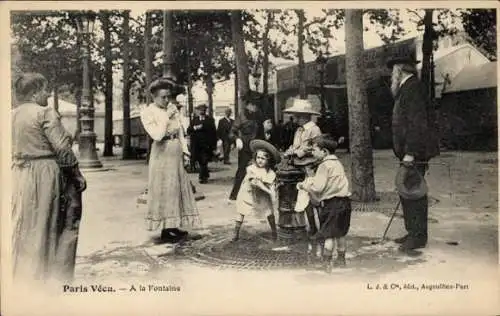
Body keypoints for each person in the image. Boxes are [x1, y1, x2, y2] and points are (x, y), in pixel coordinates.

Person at [11, 72, 87, 284]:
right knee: (52, 222)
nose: (48, 94)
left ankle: (25, 276)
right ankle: (50, 278)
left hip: (19, 174)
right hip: (46, 173)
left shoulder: (11, 115)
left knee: (25, 225)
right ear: (35, 93)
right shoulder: (45, 113)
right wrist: (76, 174)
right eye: (45, 90)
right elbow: (62, 149)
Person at [140, 72, 201, 242]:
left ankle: (173, 226)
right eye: (163, 97)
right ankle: (165, 229)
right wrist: (166, 117)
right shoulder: (148, 112)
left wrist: (186, 152)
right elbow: (158, 136)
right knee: (165, 188)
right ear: (153, 96)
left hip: (175, 152)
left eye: (169, 97)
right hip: (162, 153)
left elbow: (180, 131)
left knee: (176, 188)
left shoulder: (172, 110)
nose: (167, 100)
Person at [387, 56, 440, 252]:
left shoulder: (413, 88)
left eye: (393, 69)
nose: (391, 74)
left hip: (415, 153)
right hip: (410, 153)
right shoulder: (407, 87)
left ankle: (418, 237)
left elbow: (417, 124)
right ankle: (413, 232)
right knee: (407, 191)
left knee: (414, 193)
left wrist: (410, 152)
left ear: (399, 69)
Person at [297, 135, 351, 272]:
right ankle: (341, 259)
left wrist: (305, 186)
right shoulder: (337, 163)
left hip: (332, 204)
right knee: (340, 233)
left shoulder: (324, 165)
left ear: (324, 152)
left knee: (329, 235)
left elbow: (318, 187)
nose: (312, 153)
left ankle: (326, 263)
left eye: (315, 150)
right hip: (345, 202)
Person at [233, 140, 281, 242]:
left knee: (269, 210)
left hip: (261, 195)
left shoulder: (270, 173)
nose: (260, 160)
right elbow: (255, 182)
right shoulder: (251, 169)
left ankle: (274, 232)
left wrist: (273, 192)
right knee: (242, 210)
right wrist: (269, 192)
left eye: (263, 158)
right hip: (248, 192)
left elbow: (272, 184)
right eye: (258, 157)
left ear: (269, 160)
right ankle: (236, 233)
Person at [228, 93, 264, 201]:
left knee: (260, 170)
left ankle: (257, 196)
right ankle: (234, 195)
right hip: (245, 148)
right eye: (253, 105)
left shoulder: (259, 115)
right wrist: (236, 139)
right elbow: (231, 133)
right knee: (242, 170)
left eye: (256, 105)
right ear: (247, 105)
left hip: (258, 147)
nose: (255, 107)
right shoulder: (242, 116)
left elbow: (261, 131)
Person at [188, 104, 217, 184]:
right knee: (200, 161)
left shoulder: (210, 120)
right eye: (200, 110)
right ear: (198, 111)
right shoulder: (194, 120)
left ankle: (202, 177)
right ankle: (205, 175)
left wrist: (214, 145)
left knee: (204, 160)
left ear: (206, 111)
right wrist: (196, 128)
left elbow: (214, 133)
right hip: (197, 145)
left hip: (206, 145)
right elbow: (188, 130)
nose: (202, 111)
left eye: (203, 110)